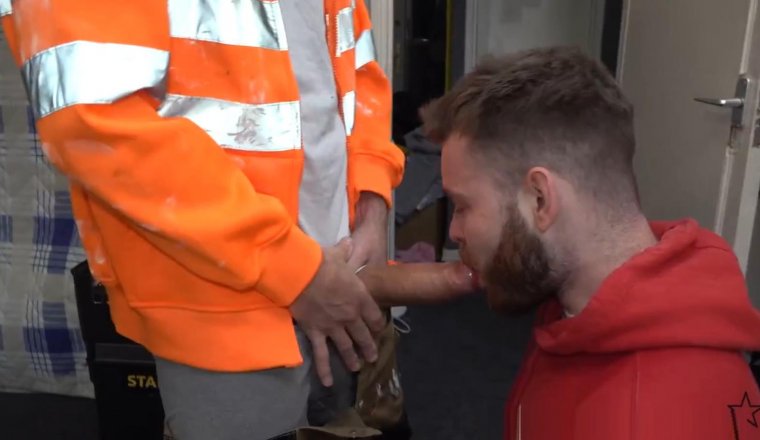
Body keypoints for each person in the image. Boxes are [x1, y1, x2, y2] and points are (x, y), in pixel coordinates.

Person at [1, 1, 409, 439]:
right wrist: (294, 270)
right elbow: (93, 121)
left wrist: (372, 195)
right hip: (223, 305)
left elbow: (355, 63)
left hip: (345, 274)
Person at [420, 46, 760, 439]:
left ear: (540, 200)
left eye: (462, 206)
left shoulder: (638, 420)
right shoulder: (585, 294)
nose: (453, 232)